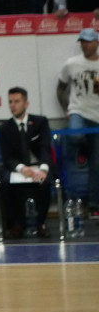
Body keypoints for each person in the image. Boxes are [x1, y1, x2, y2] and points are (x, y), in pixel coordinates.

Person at [0, 87, 52, 239]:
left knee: (45, 181)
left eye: (16, 101)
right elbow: (7, 157)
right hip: (18, 168)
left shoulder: (41, 122)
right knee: (5, 181)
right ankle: (16, 224)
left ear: (26, 103)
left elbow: (45, 148)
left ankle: (41, 223)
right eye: (10, 102)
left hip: (38, 165)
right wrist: (21, 168)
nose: (12, 105)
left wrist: (42, 169)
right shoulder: (4, 128)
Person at [57, 28, 99, 218]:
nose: (84, 44)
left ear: (96, 43)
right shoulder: (71, 64)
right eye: (82, 41)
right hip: (78, 111)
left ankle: (93, 204)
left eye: (88, 41)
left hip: (97, 116)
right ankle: (82, 148)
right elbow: (61, 87)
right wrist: (66, 107)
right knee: (74, 135)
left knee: (96, 165)